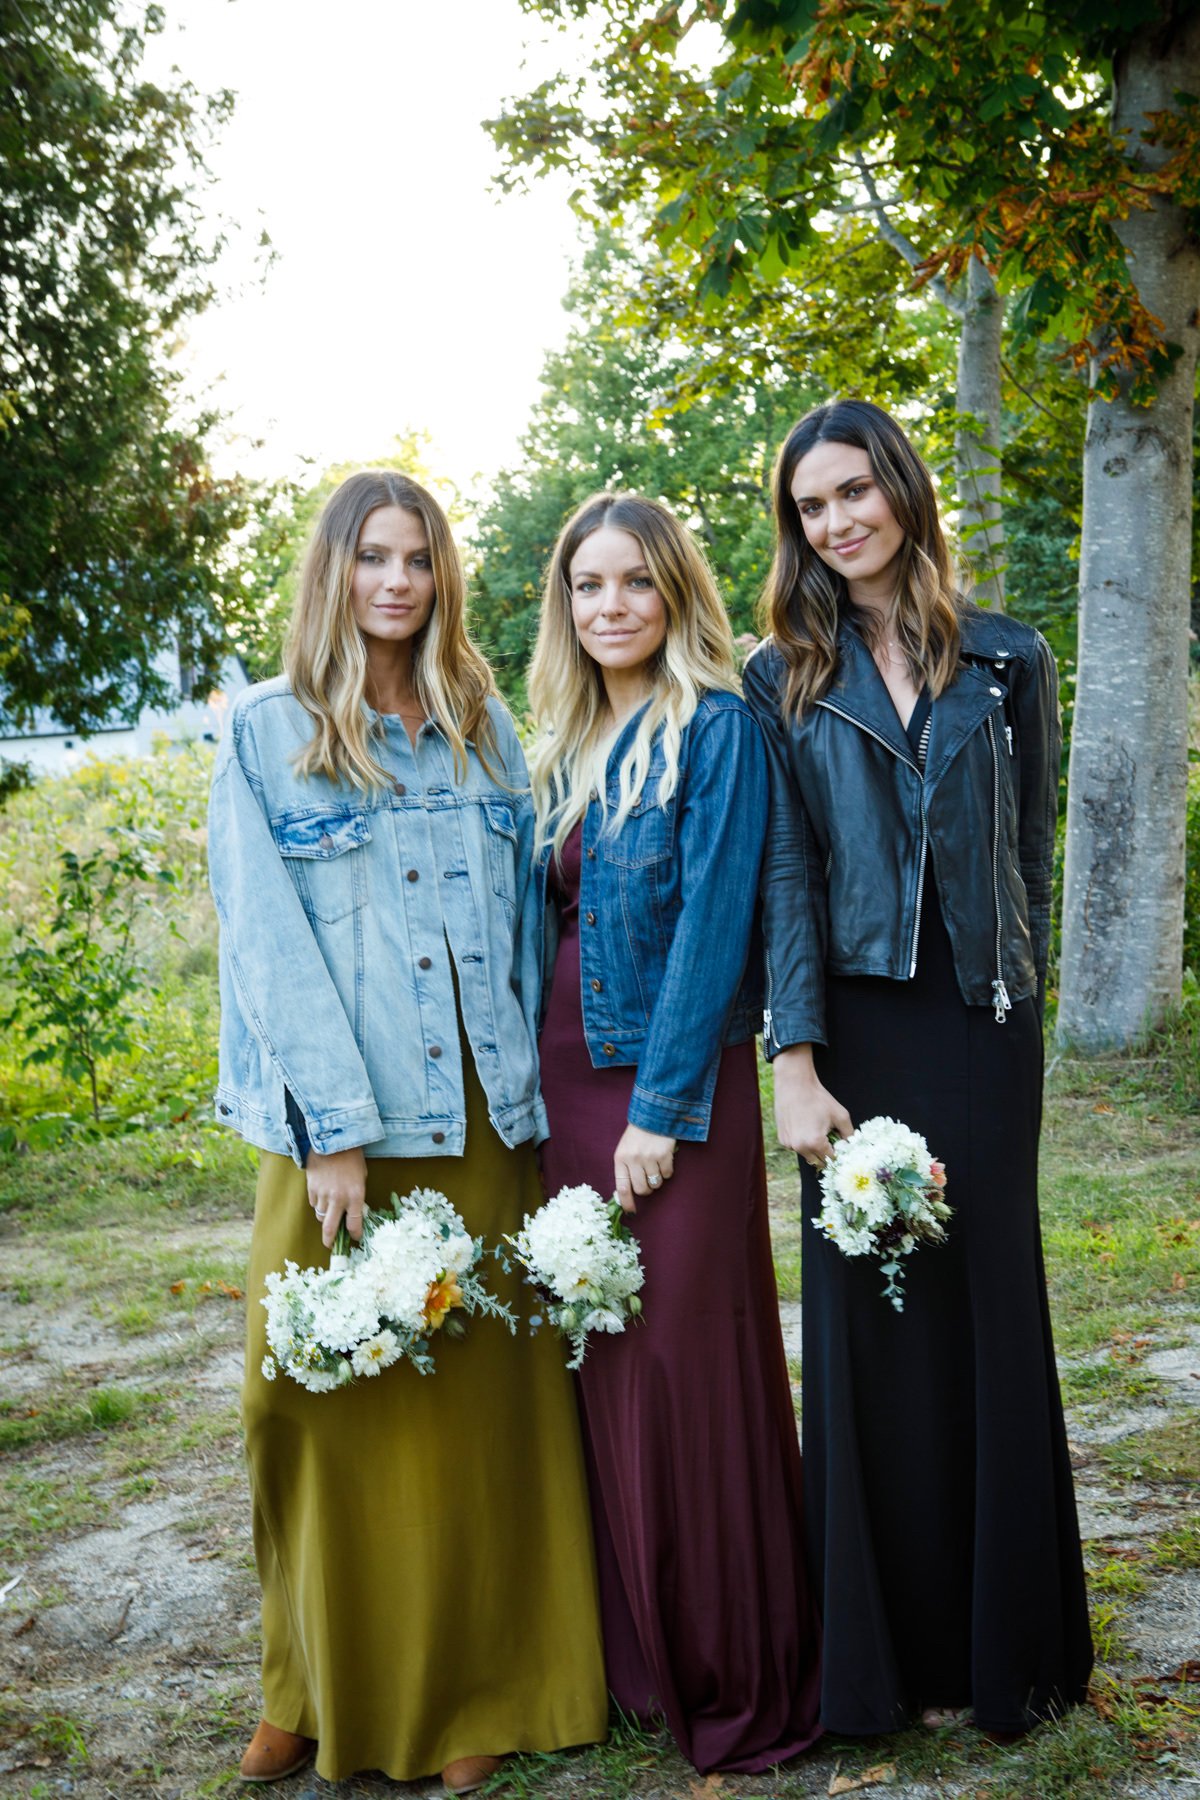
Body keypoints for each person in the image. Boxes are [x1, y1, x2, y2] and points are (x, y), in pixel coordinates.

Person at [207, 471, 606, 1792]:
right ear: (332, 571)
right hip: (343, 1129)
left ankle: (480, 1691)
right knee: (306, 1400)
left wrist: (563, 1103)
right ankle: (305, 1684)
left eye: (417, 559)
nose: (395, 580)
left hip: (483, 1114)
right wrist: (333, 1131)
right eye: (371, 557)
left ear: (441, 577)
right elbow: (266, 943)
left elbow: (532, 927)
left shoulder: (484, 728)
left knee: (473, 1415)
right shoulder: (265, 737)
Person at [741, 398, 1093, 1740]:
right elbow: (784, 876)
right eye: (810, 507)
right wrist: (794, 1057)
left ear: (899, 487)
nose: (836, 522)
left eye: (852, 492)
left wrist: (1022, 1007)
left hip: (984, 1025)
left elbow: (1030, 862)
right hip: (858, 1029)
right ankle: (886, 1664)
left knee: (990, 1307)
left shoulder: (1009, 660)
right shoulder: (779, 681)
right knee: (870, 1326)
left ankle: (1012, 1650)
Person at [528, 491, 823, 1774]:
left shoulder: (717, 728)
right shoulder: (567, 739)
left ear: (674, 593)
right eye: (588, 587)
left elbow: (717, 923)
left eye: (634, 584)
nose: (610, 608)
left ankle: (737, 1668)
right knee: (606, 1367)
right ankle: (639, 1666)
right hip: (563, 1085)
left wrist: (659, 1105)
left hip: (669, 1092)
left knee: (687, 1371)